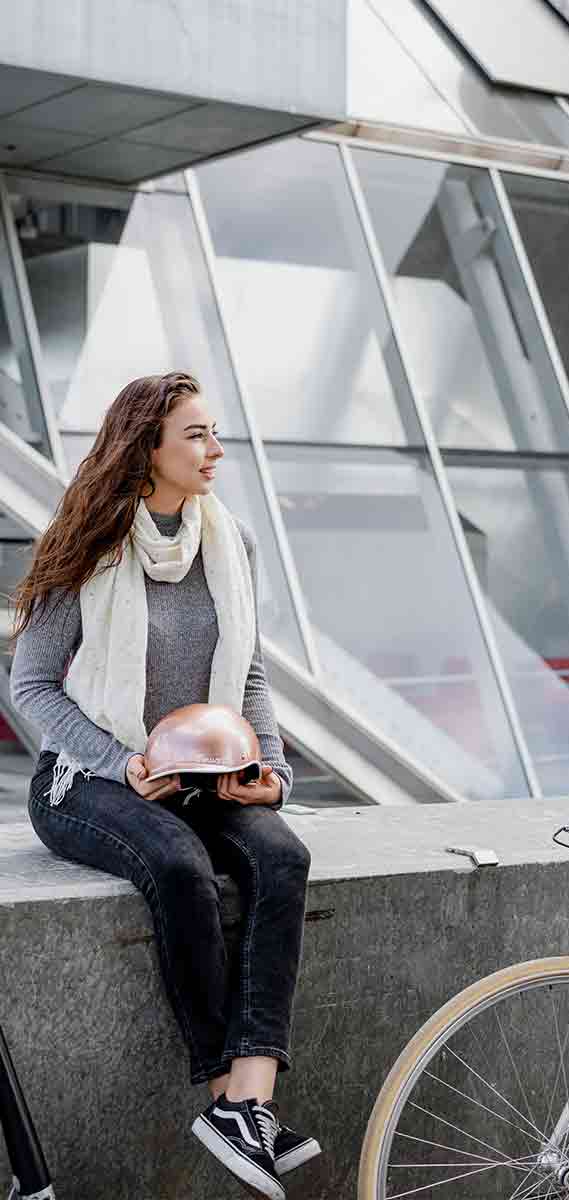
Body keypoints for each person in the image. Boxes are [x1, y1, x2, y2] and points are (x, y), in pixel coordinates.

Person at [9, 372, 318, 1200]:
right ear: (148, 447)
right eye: (196, 435)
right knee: (179, 866)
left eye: (214, 433)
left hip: (203, 772)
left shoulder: (231, 541)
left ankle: (250, 1098)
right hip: (86, 778)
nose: (215, 450)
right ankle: (225, 1095)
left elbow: (249, 675)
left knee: (283, 858)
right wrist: (121, 763)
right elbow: (31, 685)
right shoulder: (88, 542)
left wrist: (270, 771)